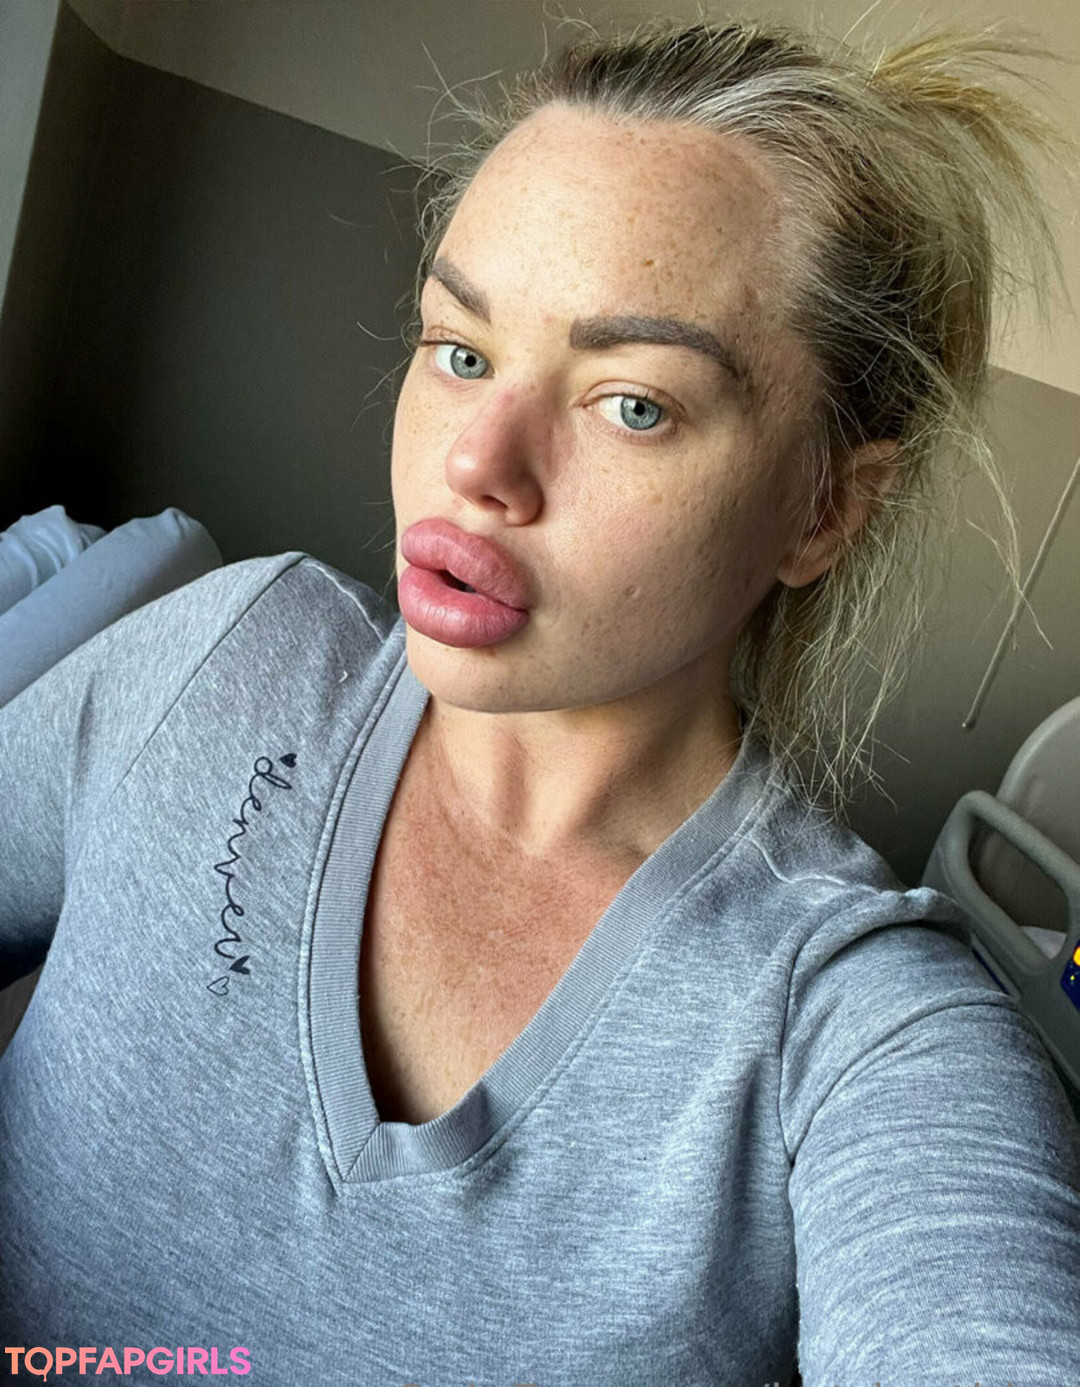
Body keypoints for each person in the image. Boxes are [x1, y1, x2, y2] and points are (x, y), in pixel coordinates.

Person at [1, 11, 1078, 1386]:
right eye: (462, 350)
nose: (477, 465)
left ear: (823, 510)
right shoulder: (225, 654)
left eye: (633, 403)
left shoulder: (855, 1029)